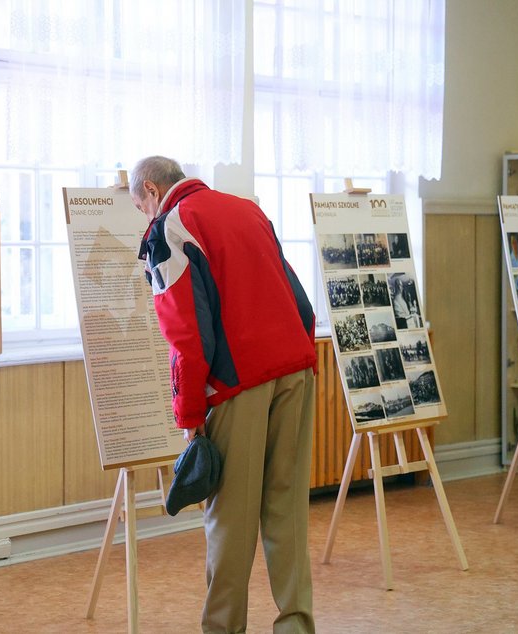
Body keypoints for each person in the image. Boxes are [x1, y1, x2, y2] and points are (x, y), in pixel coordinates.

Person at [131, 156, 317, 632]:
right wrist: (299, 356)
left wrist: (190, 411)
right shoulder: (248, 209)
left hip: (240, 383)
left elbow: (187, 337)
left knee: (229, 521)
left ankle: (223, 629)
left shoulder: (171, 227)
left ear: (152, 191)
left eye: (139, 207)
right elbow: (299, 299)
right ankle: (295, 624)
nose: (144, 218)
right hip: (296, 367)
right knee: (287, 508)